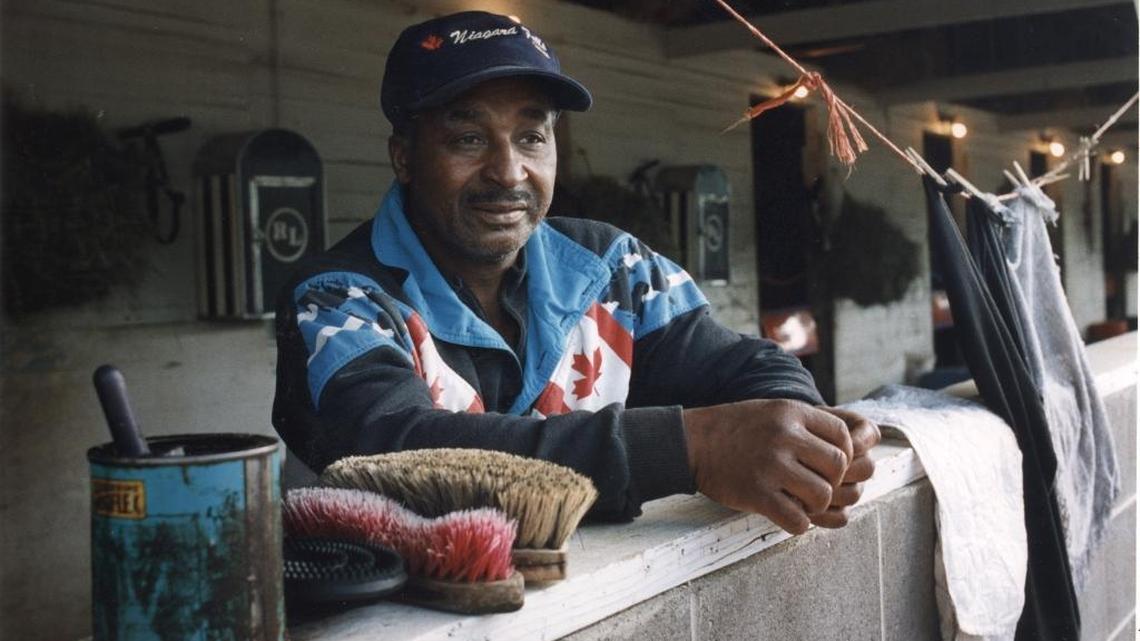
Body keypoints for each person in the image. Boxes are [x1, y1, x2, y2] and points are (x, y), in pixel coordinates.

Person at [272, 10, 879, 533]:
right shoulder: (338, 299)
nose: (508, 172)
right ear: (404, 156)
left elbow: (747, 365)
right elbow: (395, 453)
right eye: (467, 138)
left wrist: (802, 434)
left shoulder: (616, 268)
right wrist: (692, 448)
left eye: (532, 136)